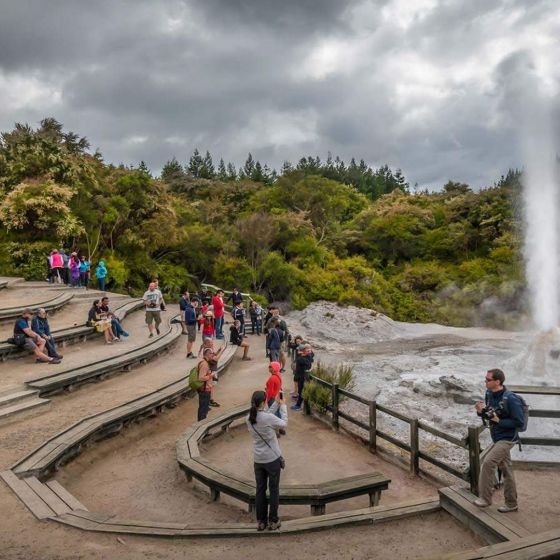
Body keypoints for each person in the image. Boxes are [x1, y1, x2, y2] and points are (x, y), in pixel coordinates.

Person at [474, 368, 524, 512]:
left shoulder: (511, 399)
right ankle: (511, 503)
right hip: (496, 437)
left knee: (488, 462)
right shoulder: (489, 393)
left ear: (497, 381)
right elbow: (490, 415)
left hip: (508, 438)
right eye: (485, 378)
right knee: (507, 470)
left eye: (488, 380)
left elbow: (519, 423)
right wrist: (480, 412)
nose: (485, 381)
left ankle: (485, 498)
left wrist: (499, 421)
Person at [246, 390, 287, 531]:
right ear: (263, 403)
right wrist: (283, 406)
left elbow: (265, 415)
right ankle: (273, 520)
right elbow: (283, 423)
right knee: (274, 490)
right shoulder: (267, 418)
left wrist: (276, 402)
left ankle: (261, 521)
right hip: (272, 459)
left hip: (258, 460)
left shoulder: (249, 418)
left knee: (260, 490)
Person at [291, 343, 314, 411]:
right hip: (303, 376)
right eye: (306, 350)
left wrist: (307, 352)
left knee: (301, 391)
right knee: (302, 391)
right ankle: (300, 404)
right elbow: (309, 361)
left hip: (302, 377)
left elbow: (307, 364)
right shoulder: (306, 357)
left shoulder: (302, 358)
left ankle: (298, 405)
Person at [196, 347, 215, 421]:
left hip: (206, 389)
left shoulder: (206, 363)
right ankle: (201, 425)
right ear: (207, 354)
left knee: (204, 409)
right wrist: (211, 376)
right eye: (211, 354)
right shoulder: (204, 364)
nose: (213, 355)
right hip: (204, 390)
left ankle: (201, 424)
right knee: (203, 410)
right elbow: (201, 378)